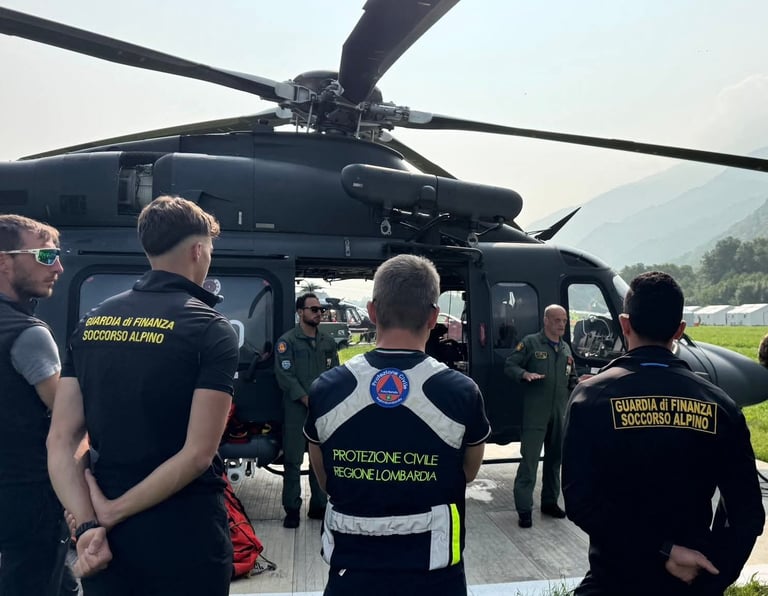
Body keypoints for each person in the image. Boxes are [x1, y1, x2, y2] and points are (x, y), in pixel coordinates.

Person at [47, 196, 240, 595]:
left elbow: (61, 439)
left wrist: (89, 523)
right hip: (184, 531)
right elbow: (198, 453)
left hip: (109, 539)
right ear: (198, 250)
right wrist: (111, 512)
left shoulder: (92, 321)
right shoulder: (210, 328)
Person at [562, 272, 765, 595]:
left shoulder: (591, 399)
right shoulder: (720, 406)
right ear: (680, 330)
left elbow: (580, 502)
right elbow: (747, 514)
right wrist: (710, 574)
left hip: (614, 579)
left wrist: (663, 549)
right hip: (688, 584)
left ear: (625, 324)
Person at [304, 254, 490, 596]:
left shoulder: (326, 389)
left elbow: (325, 478)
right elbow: (468, 472)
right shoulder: (462, 392)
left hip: (351, 575)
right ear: (433, 317)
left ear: (373, 312)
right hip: (435, 577)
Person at [0, 215, 71, 596]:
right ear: (4, 261)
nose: (58, 267)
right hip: (29, 498)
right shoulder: (28, 334)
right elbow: (68, 419)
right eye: (45, 256)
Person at [504, 304, 578, 528]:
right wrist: (524, 374)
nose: (561, 324)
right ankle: (524, 509)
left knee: (555, 461)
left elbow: (571, 378)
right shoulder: (530, 343)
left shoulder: (565, 349)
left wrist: (580, 383)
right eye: (557, 320)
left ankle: (549, 502)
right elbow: (510, 365)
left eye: (564, 320)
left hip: (559, 413)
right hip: (536, 413)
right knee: (529, 462)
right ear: (546, 320)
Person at [274, 292, 338, 528]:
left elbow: (335, 373)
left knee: (318, 459)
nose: (319, 313)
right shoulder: (287, 342)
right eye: (313, 309)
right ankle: (292, 509)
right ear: (300, 312)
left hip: (321, 411)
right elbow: (285, 375)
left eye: (320, 309)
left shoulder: (327, 342)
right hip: (296, 410)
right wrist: (305, 398)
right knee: (292, 460)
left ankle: (318, 505)